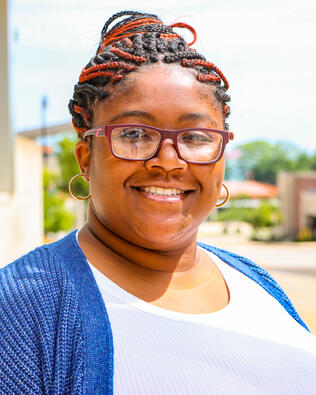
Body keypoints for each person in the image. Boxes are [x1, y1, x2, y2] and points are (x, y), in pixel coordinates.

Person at [1, 10, 315, 394]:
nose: (168, 160)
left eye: (196, 137)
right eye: (134, 133)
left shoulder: (255, 282)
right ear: (86, 158)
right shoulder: (19, 310)